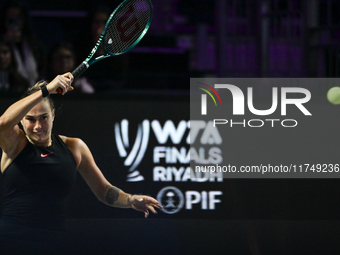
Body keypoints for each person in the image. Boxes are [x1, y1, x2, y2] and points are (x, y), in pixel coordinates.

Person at [0, 72, 162, 254]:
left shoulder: (74, 147)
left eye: (44, 117)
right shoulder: (15, 143)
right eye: (30, 119)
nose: (38, 126)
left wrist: (130, 200)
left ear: (53, 115)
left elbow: (104, 191)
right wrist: (48, 89)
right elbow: (3, 122)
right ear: (21, 120)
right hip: (11, 242)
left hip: (54, 243)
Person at [0, 0, 46, 87]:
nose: (14, 22)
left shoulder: (33, 44)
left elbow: (41, 71)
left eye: (17, 18)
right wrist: (6, 41)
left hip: (33, 91)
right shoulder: (2, 44)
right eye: (10, 18)